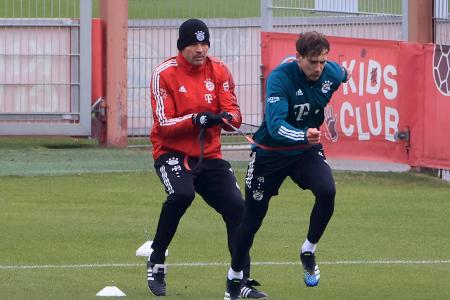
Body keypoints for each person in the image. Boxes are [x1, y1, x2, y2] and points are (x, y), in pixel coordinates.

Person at [147, 18, 268, 299]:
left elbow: (234, 113)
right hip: (171, 153)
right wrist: (196, 118)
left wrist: (227, 119)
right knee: (182, 195)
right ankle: (156, 259)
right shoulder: (163, 74)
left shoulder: (219, 71)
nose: (200, 49)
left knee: (238, 208)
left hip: (209, 155)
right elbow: (163, 123)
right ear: (181, 46)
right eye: (193, 44)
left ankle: (241, 281)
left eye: (204, 43)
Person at [224, 31, 349, 299]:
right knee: (252, 219)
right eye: (312, 62)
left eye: (322, 62)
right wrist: (303, 134)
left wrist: (306, 139)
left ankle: (308, 250)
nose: (318, 68)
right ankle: (234, 278)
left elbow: (343, 72)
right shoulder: (279, 79)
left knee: (327, 191)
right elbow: (276, 126)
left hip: (305, 151)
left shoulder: (332, 73)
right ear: (298, 57)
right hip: (270, 155)